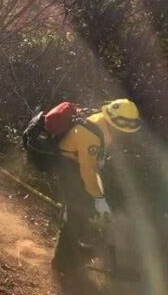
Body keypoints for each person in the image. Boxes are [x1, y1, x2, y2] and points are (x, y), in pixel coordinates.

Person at [52, 99, 142, 273]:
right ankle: (61, 263)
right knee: (76, 213)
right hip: (68, 166)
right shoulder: (91, 135)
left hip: (77, 163)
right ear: (114, 122)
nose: (123, 133)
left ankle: (76, 248)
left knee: (85, 209)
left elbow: (93, 165)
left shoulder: (101, 123)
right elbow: (87, 171)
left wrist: (99, 196)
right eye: (122, 129)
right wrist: (99, 199)